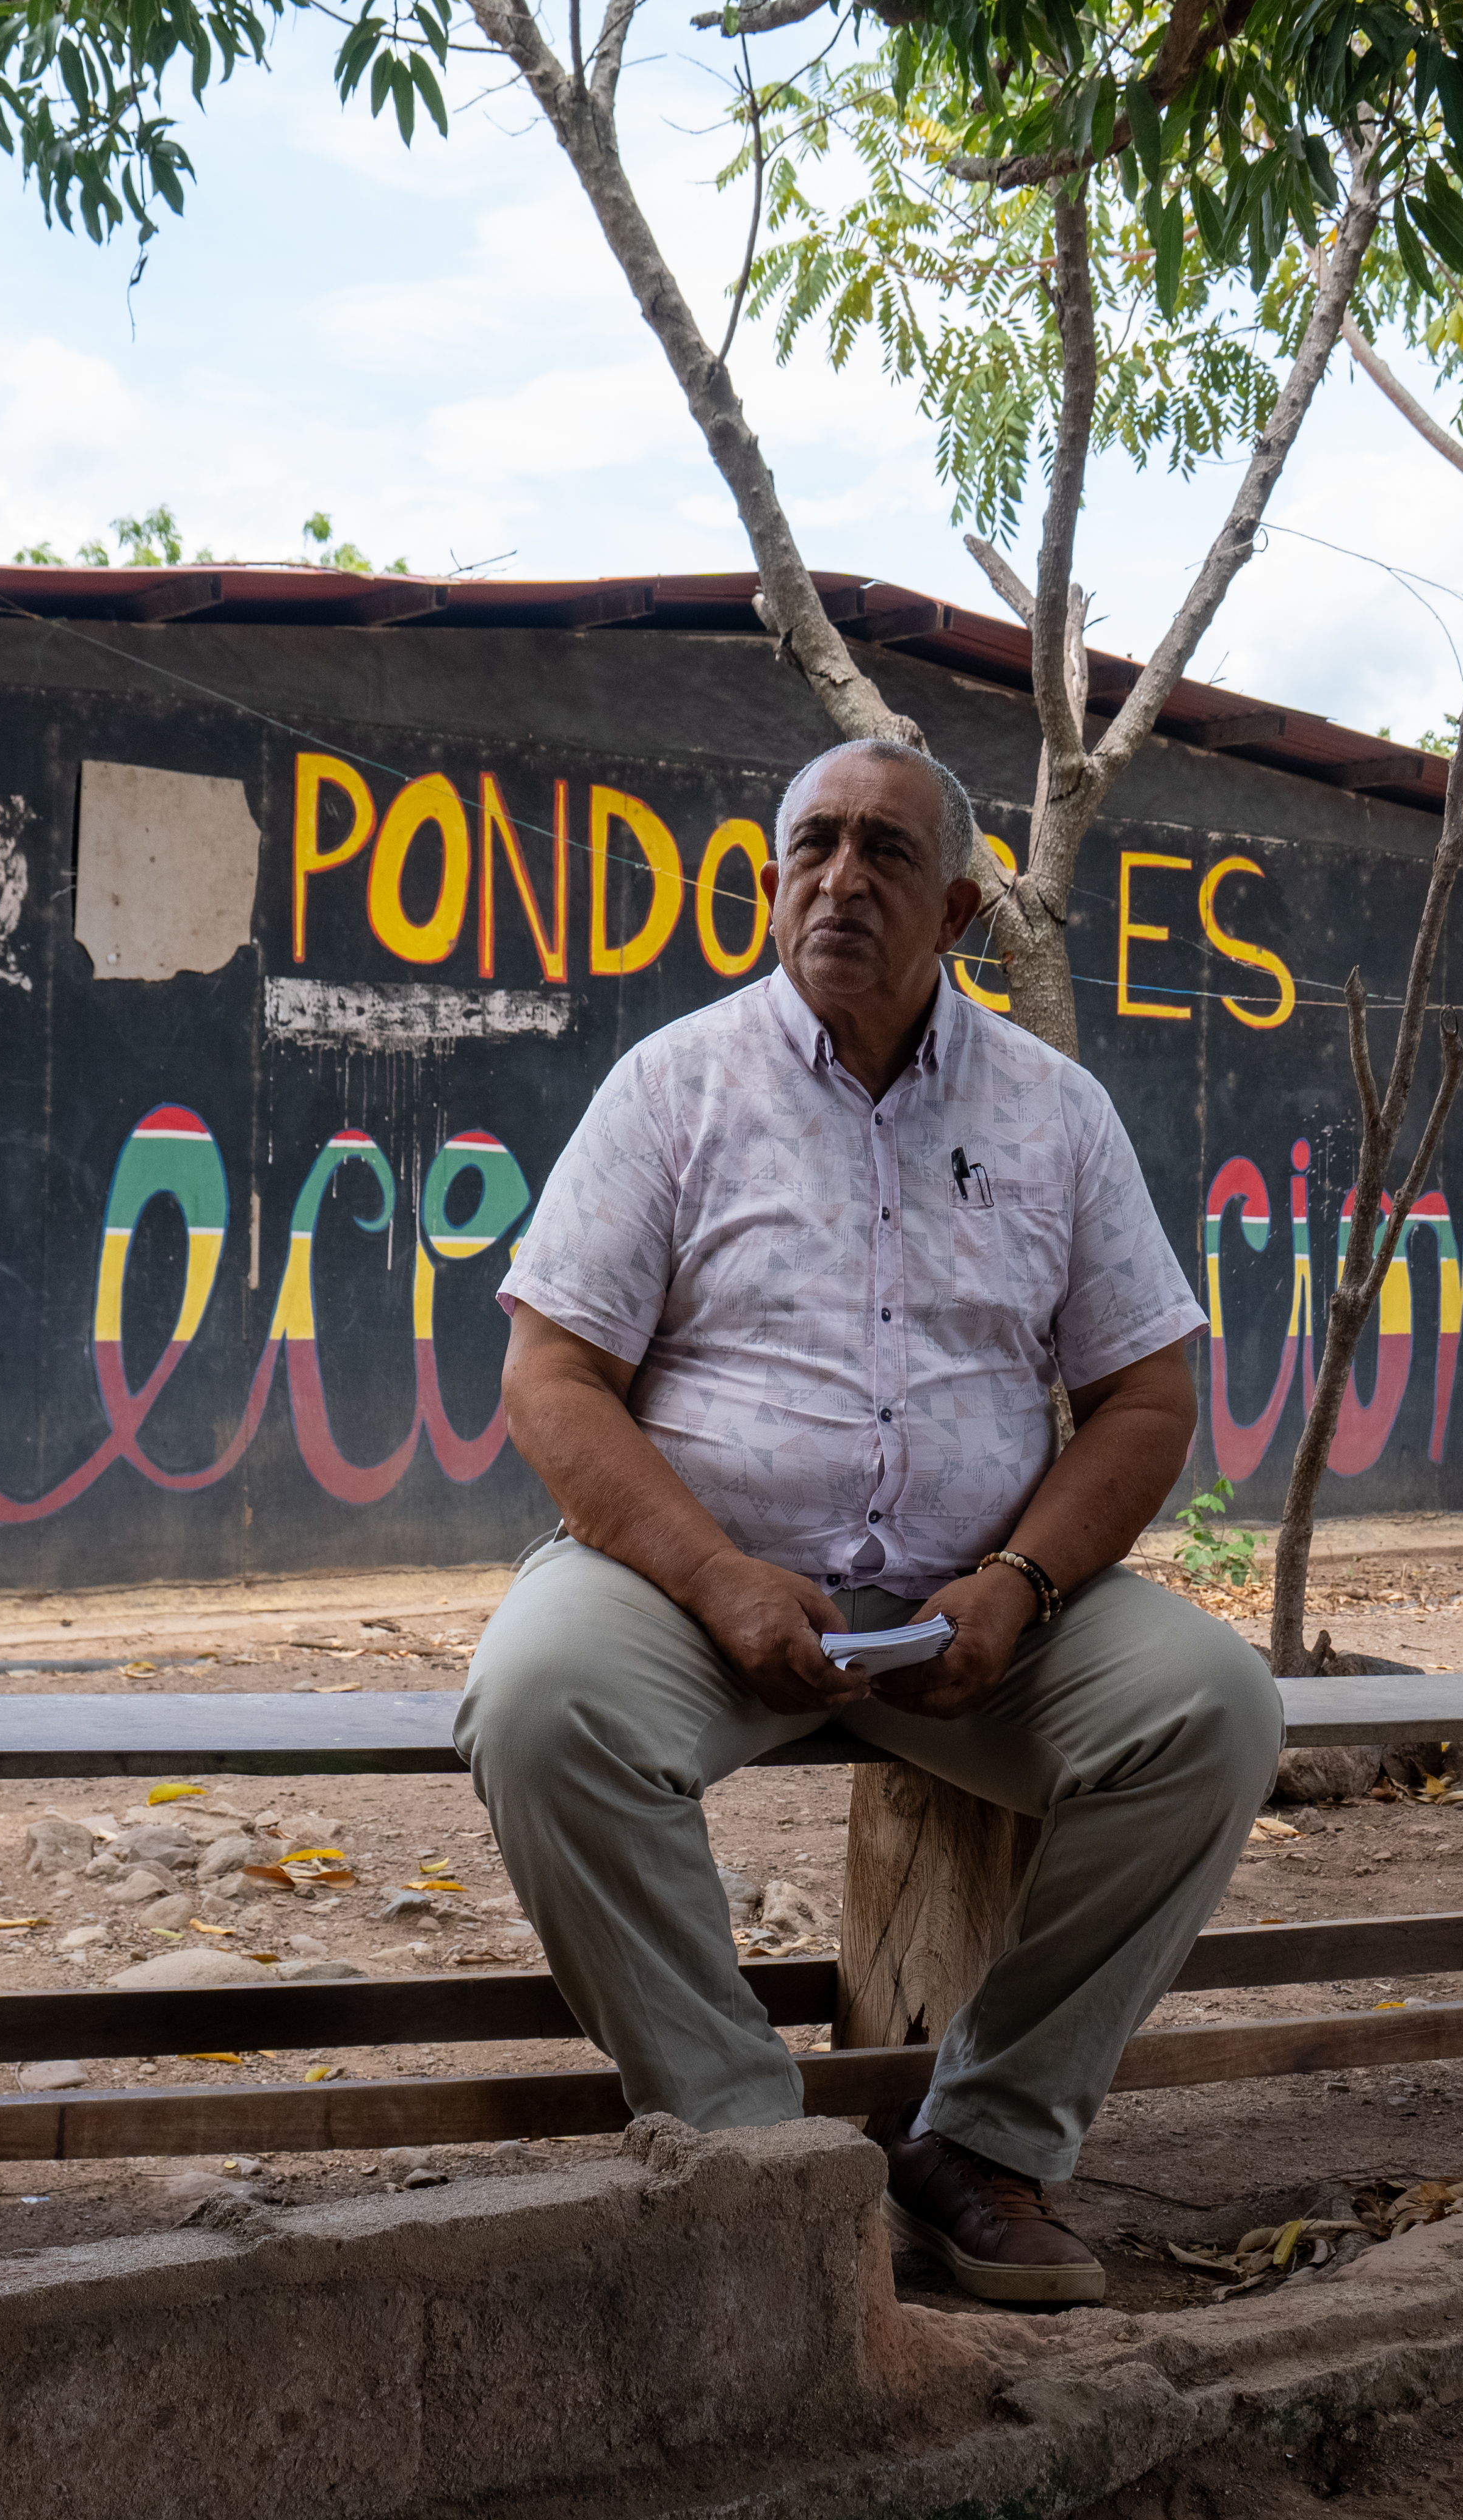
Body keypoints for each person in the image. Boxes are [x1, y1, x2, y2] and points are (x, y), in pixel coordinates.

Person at [458, 736, 1277, 2309]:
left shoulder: (1054, 1113)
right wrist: (712, 1572)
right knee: (537, 1703)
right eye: (809, 844)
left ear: (960, 906)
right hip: (696, 1591)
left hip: (983, 1609)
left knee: (1214, 1708)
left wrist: (1021, 1581)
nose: (839, 877)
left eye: (885, 851)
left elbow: (1146, 1402)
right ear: (769, 879)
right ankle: (757, 2148)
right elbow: (554, 1380)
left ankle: (982, 2139)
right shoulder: (676, 1085)